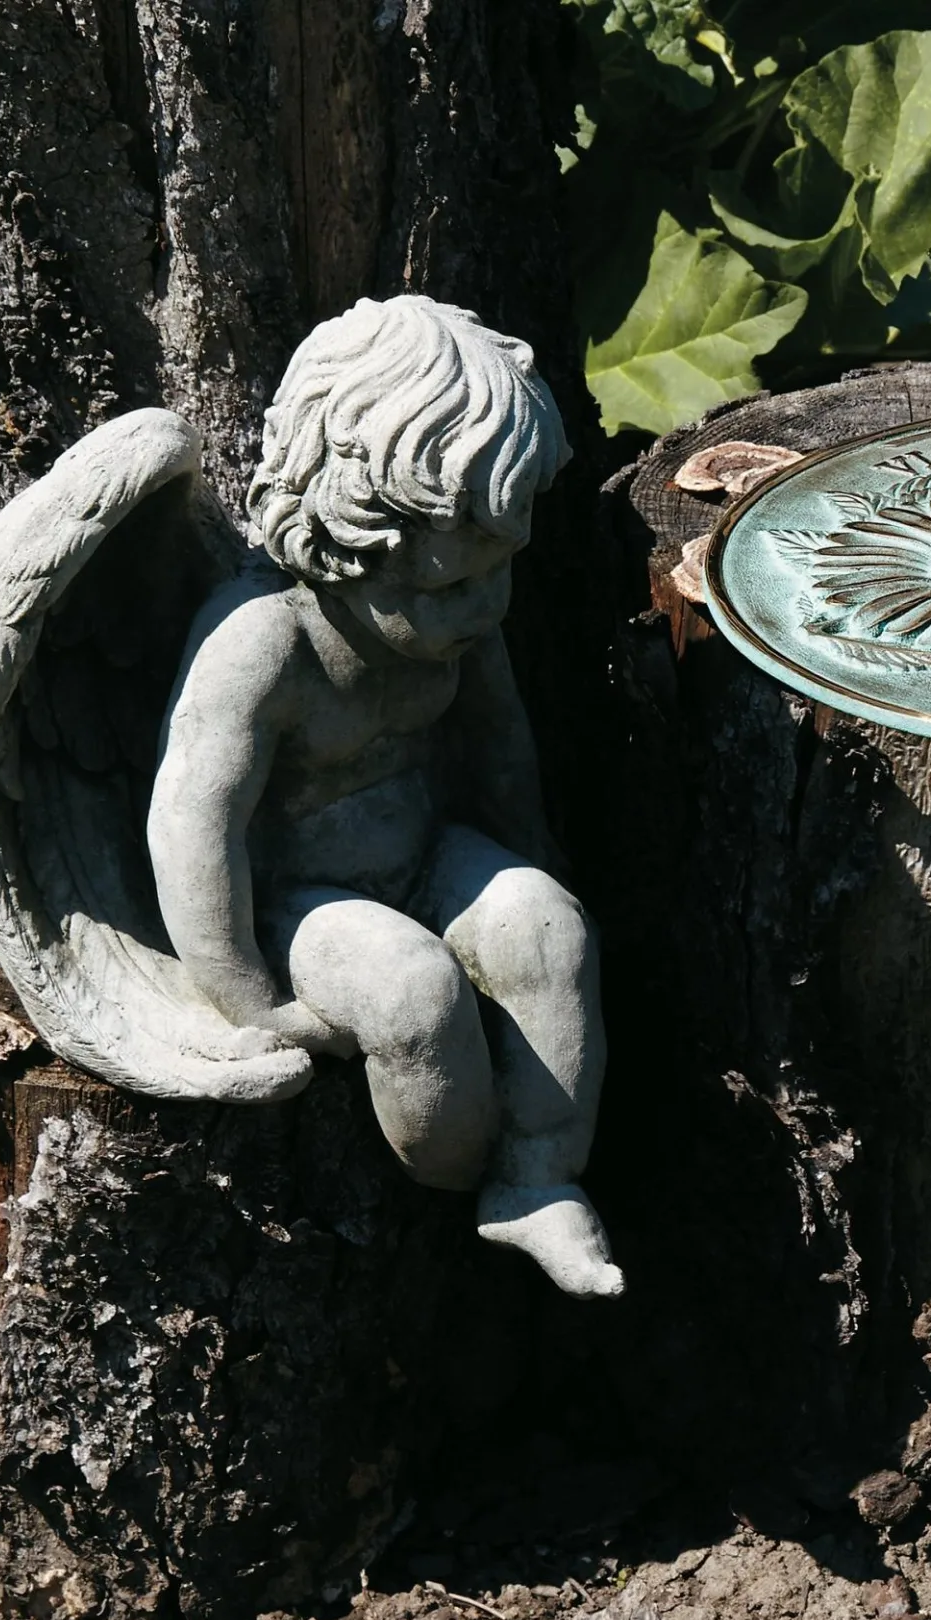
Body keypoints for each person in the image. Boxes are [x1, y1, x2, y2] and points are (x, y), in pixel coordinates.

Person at [147, 296, 621, 1298]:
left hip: (423, 854)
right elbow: (193, 825)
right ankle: (449, 1194)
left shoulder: (456, 620)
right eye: (453, 587)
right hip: (299, 910)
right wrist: (250, 1005)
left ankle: (535, 1181)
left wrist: (529, 851)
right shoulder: (264, 646)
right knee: (413, 991)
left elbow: (499, 743)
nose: (485, 610)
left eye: (501, 575)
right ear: (349, 536)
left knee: (547, 930)